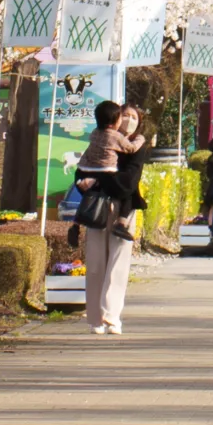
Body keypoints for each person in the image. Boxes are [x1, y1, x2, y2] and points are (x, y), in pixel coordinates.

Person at [73, 100, 147, 335]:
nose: (129, 121)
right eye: (125, 115)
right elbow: (80, 170)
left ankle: (111, 315)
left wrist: (97, 181)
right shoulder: (101, 138)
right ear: (116, 118)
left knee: (117, 264)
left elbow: (127, 183)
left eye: (134, 118)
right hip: (96, 207)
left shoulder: (136, 147)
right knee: (95, 263)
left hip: (121, 210)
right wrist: (83, 182)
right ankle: (94, 317)